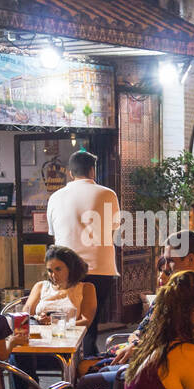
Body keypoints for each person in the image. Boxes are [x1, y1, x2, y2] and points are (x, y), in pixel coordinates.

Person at [74, 230, 194, 389]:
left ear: (190, 260)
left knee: (88, 379)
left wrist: (141, 347)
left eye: (170, 260)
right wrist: (136, 339)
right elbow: (147, 325)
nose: (165, 266)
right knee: (83, 368)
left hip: (156, 367)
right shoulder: (177, 289)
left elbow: (183, 342)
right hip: (145, 355)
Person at [47, 149, 118, 355]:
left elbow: (53, 233)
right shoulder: (107, 194)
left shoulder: (55, 197)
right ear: (92, 171)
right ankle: (86, 360)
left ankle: (68, 358)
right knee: (90, 320)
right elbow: (112, 228)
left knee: (69, 315)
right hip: (100, 266)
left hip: (65, 269)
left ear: (70, 173)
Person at [12, 245, 98, 389]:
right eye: (50, 270)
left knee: (16, 358)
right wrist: (38, 317)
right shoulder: (41, 287)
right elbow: (25, 314)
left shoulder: (86, 288)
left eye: (58, 269)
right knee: (16, 354)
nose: (53, 275)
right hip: (36, 348)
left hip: (65, 350)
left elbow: (86, 321)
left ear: (71, 268)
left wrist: (56, 324)